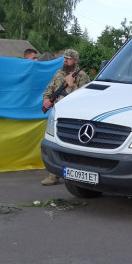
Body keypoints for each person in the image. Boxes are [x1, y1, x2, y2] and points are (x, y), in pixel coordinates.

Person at [41, 49, 91, 185]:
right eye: (64, 58)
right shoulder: (59, 73)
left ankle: (79, 176)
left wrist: (71, 85)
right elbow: (50, 88)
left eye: (68, 59)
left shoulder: (82, 76)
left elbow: (85, 98)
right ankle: (53, 175)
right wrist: (46, 99)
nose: (65, 61)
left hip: (74, 117)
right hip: (57, 115)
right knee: (55, 143)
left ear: (75, 60)